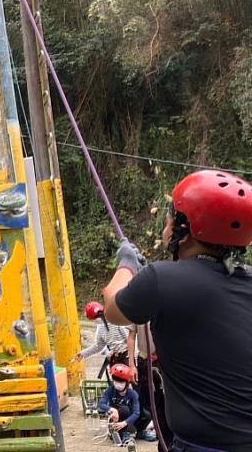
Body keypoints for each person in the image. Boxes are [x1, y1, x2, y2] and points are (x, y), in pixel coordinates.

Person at [103, 170, 252, 452]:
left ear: (183, 230)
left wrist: (127, 264)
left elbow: (112, 309)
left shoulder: (161, 279)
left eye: (171, 216)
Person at [127, 323, 170, 446]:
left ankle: (170, 441)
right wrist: (131, 365)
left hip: (166, 361)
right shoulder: (138, 307)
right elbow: (131, 336)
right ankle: (163, 442)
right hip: (146, 361)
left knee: (170, 404)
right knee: (153, 406)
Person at [97, 363, 147, 446]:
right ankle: (123, 435)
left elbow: (136, 413)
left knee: (146, 415)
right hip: (116, 419)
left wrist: (124, 423)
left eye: (121, 381)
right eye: (116, 381)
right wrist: (112, 409)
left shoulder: (133, 394)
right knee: (124, 410)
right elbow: (101, 404)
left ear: (127, 382)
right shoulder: (110, 390)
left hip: (128, 420)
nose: (117, 384)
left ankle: (139, 432)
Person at [76, 301, 130, 369]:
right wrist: (83, 354)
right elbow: (99, 346)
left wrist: (132, 358)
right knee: (117, 378)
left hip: (127, 355)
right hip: (115, 357)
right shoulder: (100, 327)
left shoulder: (116, 320)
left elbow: (130, 339)